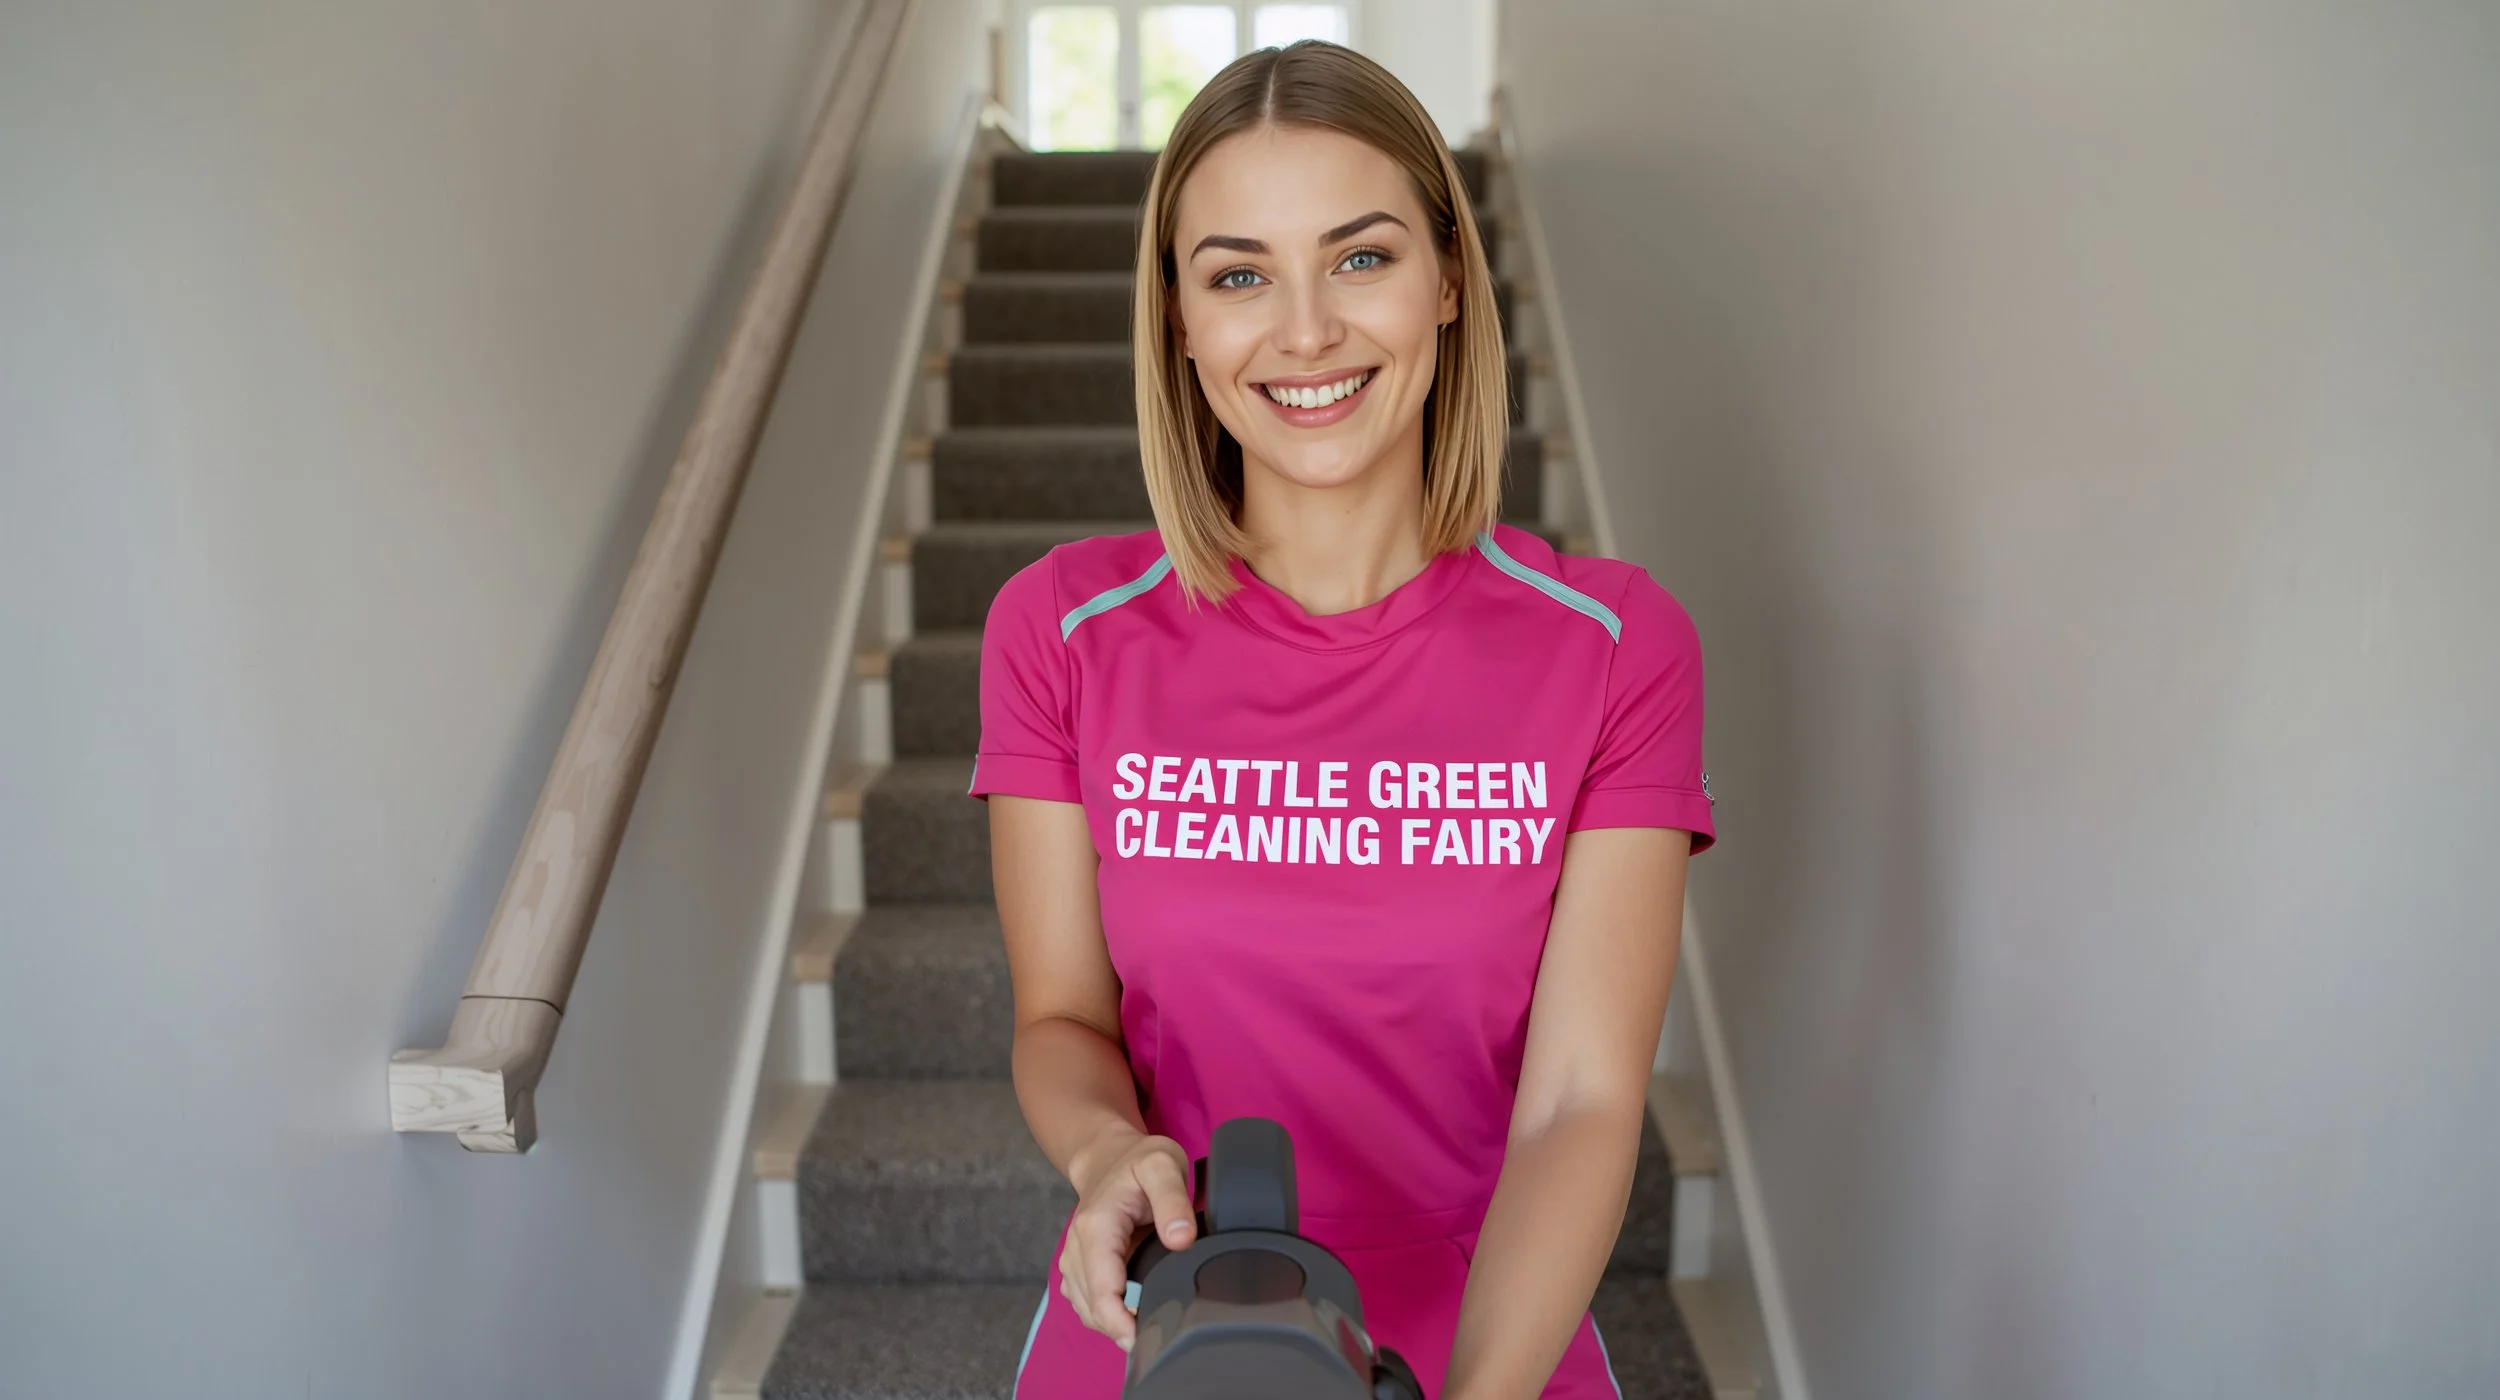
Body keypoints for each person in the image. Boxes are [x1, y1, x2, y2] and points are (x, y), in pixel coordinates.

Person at [971, 39, 1715, 1400]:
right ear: (1180, 321)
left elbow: (1581, 1104)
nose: (1303, 329)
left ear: (1445, 282)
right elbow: (1063, 1020)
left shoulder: (1612, 649)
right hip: (1163, 1334)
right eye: (1240, 273)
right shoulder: (1063, 630)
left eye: (1360, 258)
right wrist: (1101, 1153)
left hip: (1496, 1333)